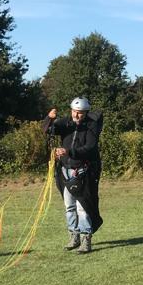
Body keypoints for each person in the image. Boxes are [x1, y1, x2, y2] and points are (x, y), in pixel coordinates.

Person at [42, 98, 103, 254]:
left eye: (81, 113)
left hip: (83, 171)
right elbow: (48, 130)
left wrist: (69, 152)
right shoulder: (66, 123)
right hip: (65, 170)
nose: (77, 115)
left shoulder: (91, 126)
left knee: (82, 207)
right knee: (69, 206)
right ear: (71, 110)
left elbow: (89, 147)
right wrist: (50, 118)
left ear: (86, 113)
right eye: (75, 111)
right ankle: (73, 236)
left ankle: (85, 240)